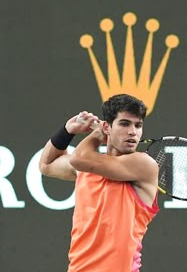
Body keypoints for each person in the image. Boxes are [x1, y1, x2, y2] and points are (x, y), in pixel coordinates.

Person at [39, 94, 159, 272]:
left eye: (138, 125)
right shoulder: (85, 168)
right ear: (107, 126)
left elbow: (80, 158)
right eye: (125, 124)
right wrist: (67, 131)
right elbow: (46, 165)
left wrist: (97, 134)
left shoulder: (143, 164)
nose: (133, 132)